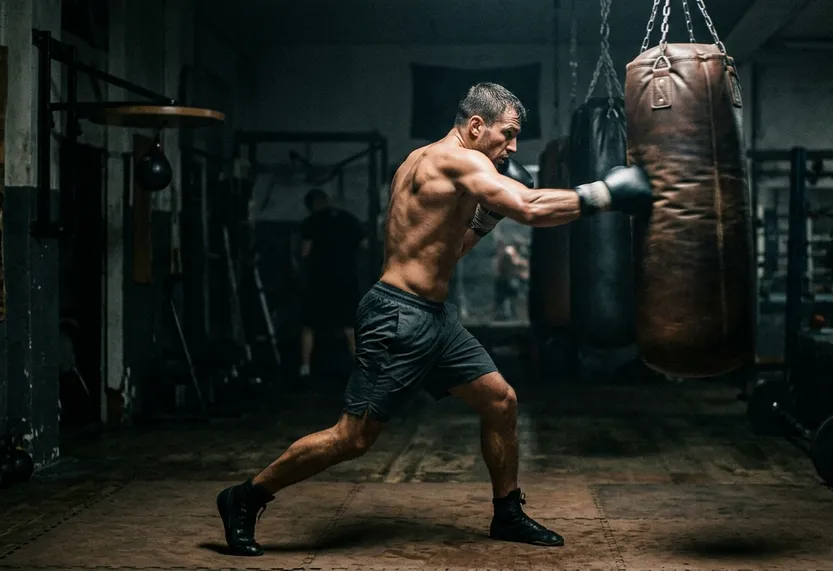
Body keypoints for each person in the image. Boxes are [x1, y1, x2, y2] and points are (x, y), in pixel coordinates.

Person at [216, 82, 652, 556]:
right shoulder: (461, 161)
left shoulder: (418, 161)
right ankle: (244, 497)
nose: (512, 146)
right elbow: (529, 208)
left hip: (434, 318)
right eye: (507, 134)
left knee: (501, 402)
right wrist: (605, 195)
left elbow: (452, 248)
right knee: (353, 438)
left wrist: (486, 219)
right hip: (398, 317)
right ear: (476, 125)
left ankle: (507, 513)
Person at [297, 188, 366, 377]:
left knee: (309, 324)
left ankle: (305, 368)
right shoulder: (348, 219)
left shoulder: (311, 222)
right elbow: (364, 245)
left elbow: (304, 252)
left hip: (320, 281)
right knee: (350, 327)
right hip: (347, 279)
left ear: (312, 205)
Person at [493, 238, 529, 320]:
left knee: (510, 297)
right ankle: (506, 314)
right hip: (505, 279)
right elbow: (512, 265)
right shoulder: (509, 252)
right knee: (507, 298)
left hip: (507, 279)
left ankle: (509, 314)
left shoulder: (512, 253)